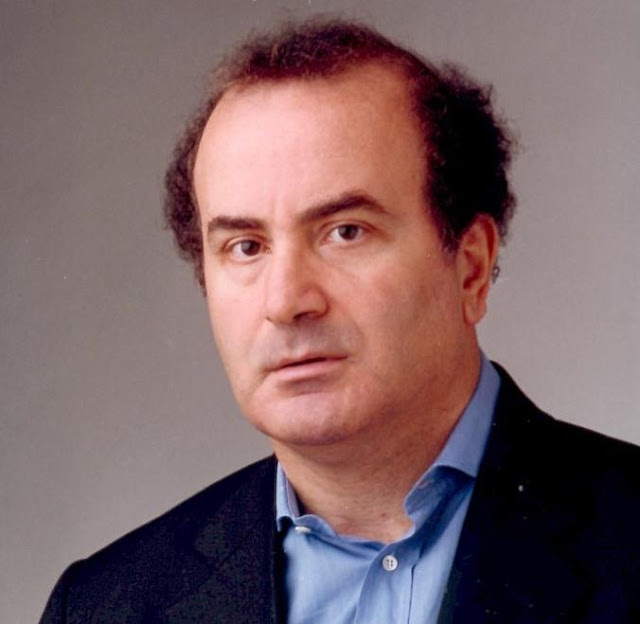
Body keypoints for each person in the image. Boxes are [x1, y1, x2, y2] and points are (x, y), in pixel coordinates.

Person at [40, 18, 640, 624]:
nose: (285, 301)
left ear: (471, 267)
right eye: (245, 246)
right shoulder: (100, 607)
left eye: (345, 232)